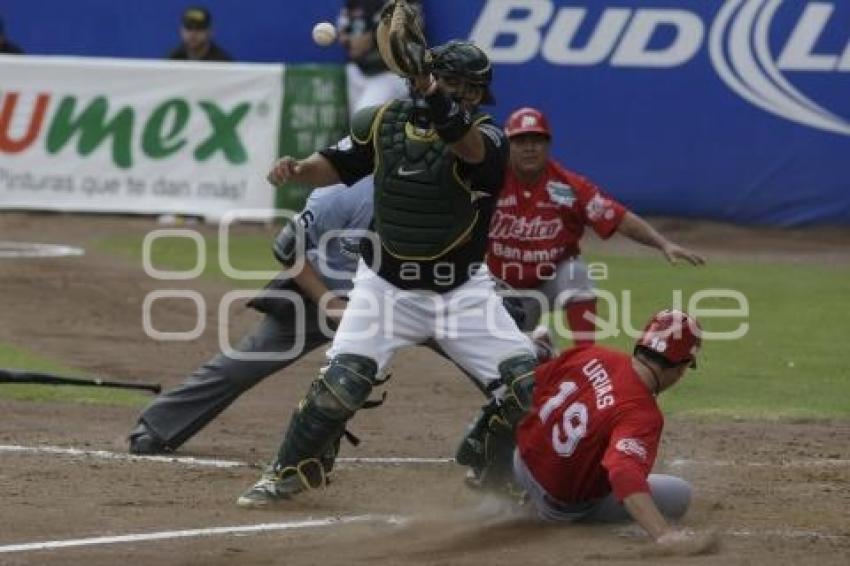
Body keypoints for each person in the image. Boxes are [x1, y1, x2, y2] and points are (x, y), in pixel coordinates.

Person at [236, 39, 538, 508]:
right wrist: (299, 169)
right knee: (342, 384)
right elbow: (335, 165)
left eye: (470, 88)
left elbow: (465, 145)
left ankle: (488, 464)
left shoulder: (490, 138)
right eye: (452, 83)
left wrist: (434, 93)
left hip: (460, 293)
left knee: (528, 389)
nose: (462, 94)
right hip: (386, 288)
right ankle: (289, 471)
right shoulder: (381, 122)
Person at [128, 178, 372, 454]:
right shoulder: (343, 191)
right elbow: (287, 248)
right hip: (324, 295)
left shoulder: (427, 192)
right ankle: (158, 426)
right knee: (245, 362)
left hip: (404, 300)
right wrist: (329, 302)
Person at [488, 107, 705, 350]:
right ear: (507, 145)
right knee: (509, 355)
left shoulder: (568, 186)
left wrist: (662, 243)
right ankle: (539, 344)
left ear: (548, 145)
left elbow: (618, 216)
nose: (529, 147)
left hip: (551, 280)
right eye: (520, 141)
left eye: (537, 140)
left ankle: (584, 356)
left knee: (576, 273)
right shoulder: (488, 180)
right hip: (504, 286)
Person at [508, 309, 714, 551]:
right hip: (558, 504)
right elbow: (623, 474)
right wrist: (664, 535)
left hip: (520, 463)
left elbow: (533, 386)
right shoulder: (642, 413)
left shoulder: (592, 354)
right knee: (679, 494)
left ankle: (520, 489)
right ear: (681, 367)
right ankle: (543, 506)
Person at [336, 0, 417, 115]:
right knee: (358, 125)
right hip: (359, 70)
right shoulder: (354, 3)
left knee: (362, 116)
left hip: (389, 74)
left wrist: (369, 39)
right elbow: (345, 27)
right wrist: (345, 38)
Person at [167, 6, 232, 62]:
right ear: (181, 31)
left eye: (199, 28)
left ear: (210, 32)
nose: (193, 34)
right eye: (189, 28)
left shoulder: (222, 63)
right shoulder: (172, 59)